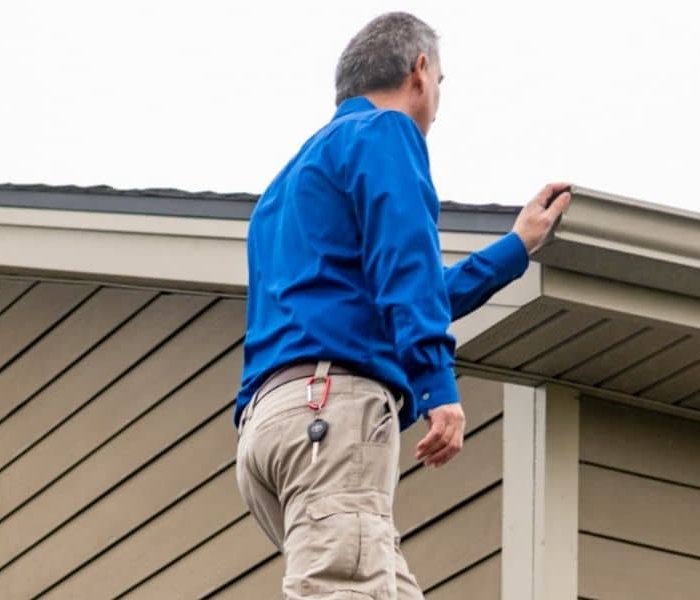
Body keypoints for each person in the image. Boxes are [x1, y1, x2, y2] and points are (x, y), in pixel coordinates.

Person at [233, 11, 571, 599]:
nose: (438, 99)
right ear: (419, 71)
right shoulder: (385, 133)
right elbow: (405, 267)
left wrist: (516, 247)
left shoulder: (287, 186)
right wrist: (438, 387)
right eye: (441, 81)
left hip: (270, 432)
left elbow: (402, 293)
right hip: (330, 415)